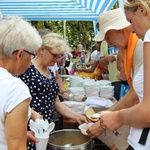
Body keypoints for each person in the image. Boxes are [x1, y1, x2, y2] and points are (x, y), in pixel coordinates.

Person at [19, 32, 88, 150]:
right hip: (28, 129)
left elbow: (56, 103)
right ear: (42, 50)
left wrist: (77, 116)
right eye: (54, 56)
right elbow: (14, 101)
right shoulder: (26, 69)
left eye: (59, 56)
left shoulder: (50, 72)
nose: (56, 60)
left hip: (47, 128)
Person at [86, 8, 144, 149]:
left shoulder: (141, 46)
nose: (108, 43)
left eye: (107, 37)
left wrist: (103, 123)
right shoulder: (130, 47)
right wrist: (107, 115)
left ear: (119, 29)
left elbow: (137, 95)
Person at [0, 16, 42, 150]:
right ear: (19, 54)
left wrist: (20, 133)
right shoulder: (16, 88)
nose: (31, 61)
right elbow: (16, 147)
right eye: (31, 56)